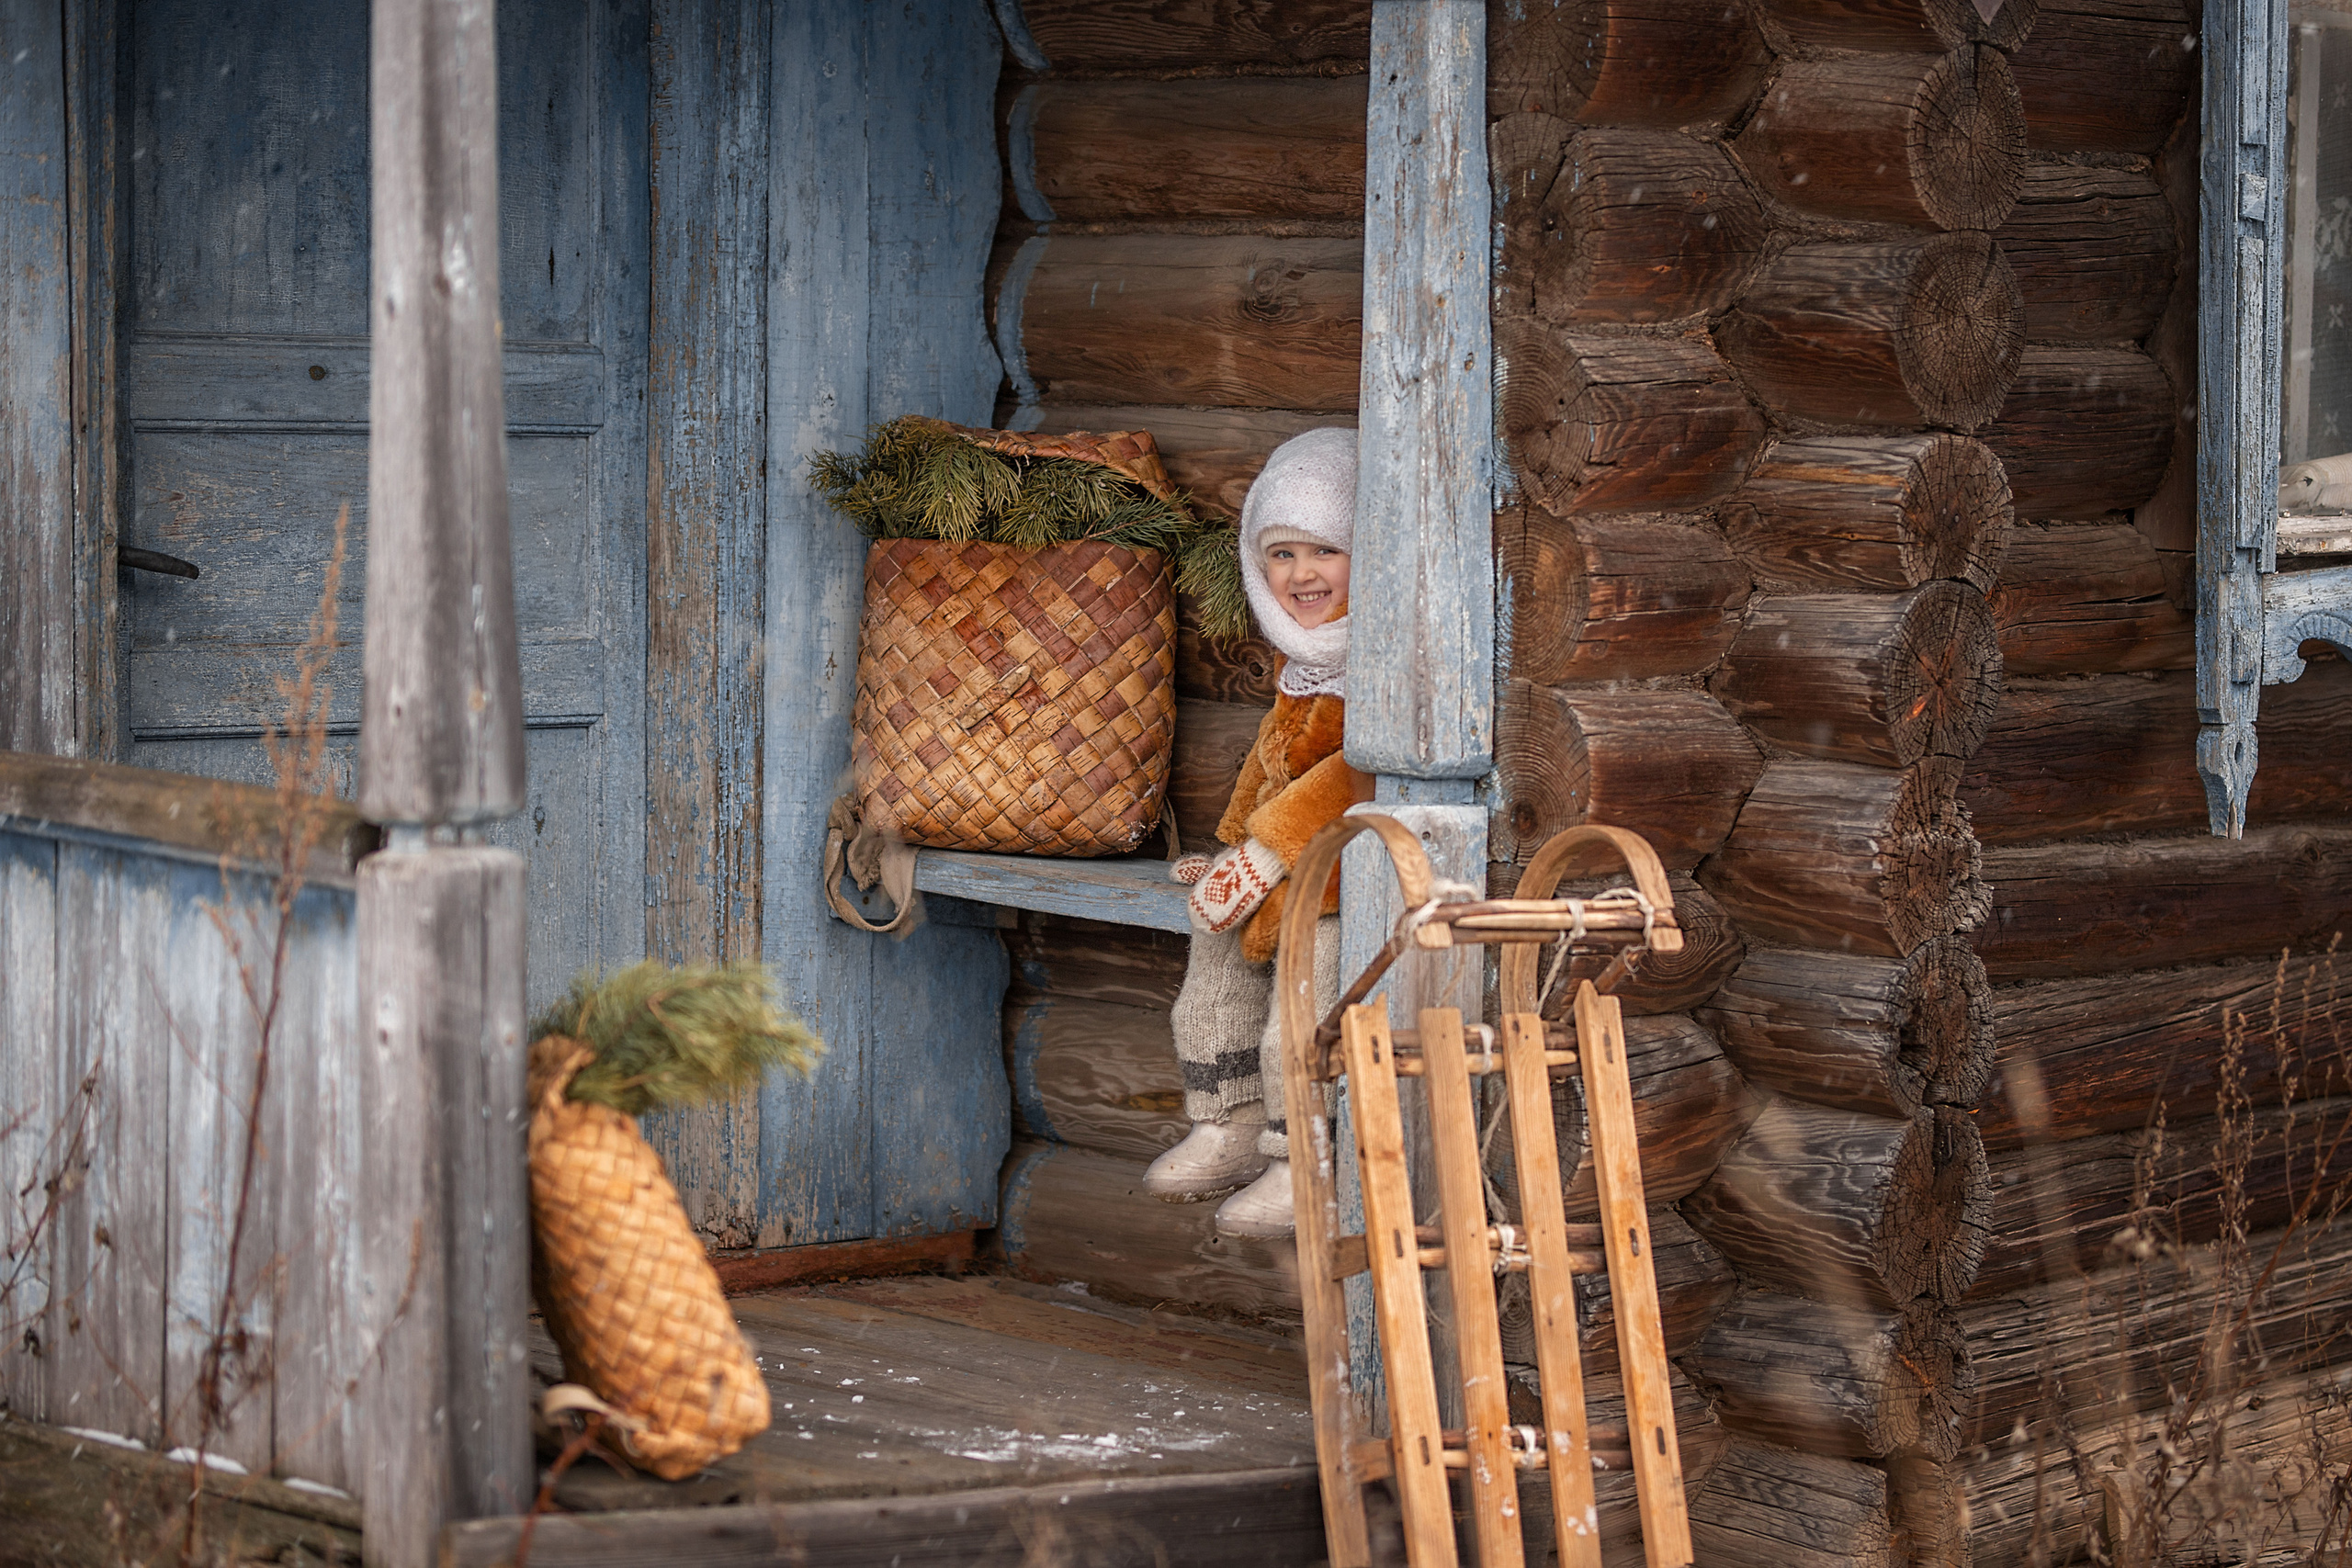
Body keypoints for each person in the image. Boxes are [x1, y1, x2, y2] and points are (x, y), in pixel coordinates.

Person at [1147, 427, 1371, 1239]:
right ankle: (1227, 1121)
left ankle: (1301, 1157)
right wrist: (1234, 846)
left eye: (1325, 550)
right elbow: (1271, 761)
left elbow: (1356, 774)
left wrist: (1268, 849)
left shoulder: (1377, 660)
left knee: (1298, 1013)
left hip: (1342, 877)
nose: (1302, 574)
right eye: (1282, 554)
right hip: (1282, 864)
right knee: (1211, 966)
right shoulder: (1302, 662)